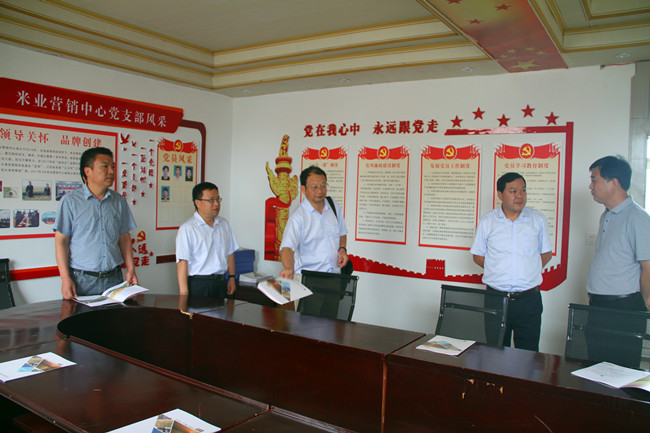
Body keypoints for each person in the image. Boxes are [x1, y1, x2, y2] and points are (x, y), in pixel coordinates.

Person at [470, 172, 552, 351]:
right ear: (500, 194)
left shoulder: (537, 220)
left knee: (529, 353)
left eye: (523, 190)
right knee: (495, 351)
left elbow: (546, 254)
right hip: (496, 299)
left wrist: (527, 269)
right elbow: (478, 256)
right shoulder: (488, 221)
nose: (519, 196)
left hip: (529, 300)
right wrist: (499, 268)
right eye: (513, 191)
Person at [585, 155, 650, 367]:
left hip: (623, 309)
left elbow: (648, 267)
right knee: (596, 368)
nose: (591, 186)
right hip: (599, 305)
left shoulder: (638, 218)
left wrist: (644, 302)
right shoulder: (607, 215)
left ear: (613, 183)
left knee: (621, 372)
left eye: (594, 180)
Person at [53, 147, 138, 299]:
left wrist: (131, 269)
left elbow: (124, 237)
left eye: (112, 166)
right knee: (82, 315)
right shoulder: (70, 202)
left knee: (114, 315)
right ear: (88, 171)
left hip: (114, 277)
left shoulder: (118, 201)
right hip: (82, 279)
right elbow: (61, 241)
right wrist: (65, 278)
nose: (111, 171)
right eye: (105, 166)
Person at [280, 166, 349, 316]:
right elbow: (287, 248)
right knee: (307, 326)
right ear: (303, 189)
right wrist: (289, 268)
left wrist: (342, 249)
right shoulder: (298, 217)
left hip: (333, 279)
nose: (320, 191)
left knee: (331, 324)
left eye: (323, 186)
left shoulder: (333, 206)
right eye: (314, 187)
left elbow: (342, 233)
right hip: (309, 281)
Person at [176, 182, 238, 298]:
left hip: (220, 282)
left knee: (222, 310)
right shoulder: (188, 228)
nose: (216, 204)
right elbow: (182, 263)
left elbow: (230, 253)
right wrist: (183, 295)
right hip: (199, 284)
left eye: (218, 199)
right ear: (197, 203)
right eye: (211, 200)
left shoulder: (223, 224)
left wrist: (232, 277)